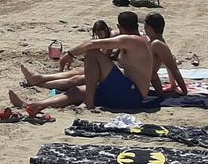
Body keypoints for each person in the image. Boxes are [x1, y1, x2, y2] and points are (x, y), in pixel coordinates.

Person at [8, 11, 153, 112]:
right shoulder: (139, 39)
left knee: (92, 54)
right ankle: (34, 105)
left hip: (131, 94)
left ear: (120, 27)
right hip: (125, 93)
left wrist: (69, 54)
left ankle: (89, 102)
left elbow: (91, 45)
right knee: (76, 92)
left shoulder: (132, 40)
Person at [20, 20, 116, 90]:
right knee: (76, 71)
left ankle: (39, 83)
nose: (99, 35)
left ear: (105, 29)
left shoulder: (112, 37)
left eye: (100, 32)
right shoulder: (103, 39)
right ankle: (38, 78)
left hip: (109, 71)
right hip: (106, 68)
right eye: (97, 33)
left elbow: (104, 56)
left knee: (75, 79)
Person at [145, 13, 188, 96]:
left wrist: (184, 91)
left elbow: (173, 68)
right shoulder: (158, 42)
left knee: (152, 73)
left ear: (149, 28)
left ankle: (161, 94)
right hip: (146, 77)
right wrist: (173, 85)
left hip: (146, 78)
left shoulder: (156, 44)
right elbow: (170, 63)